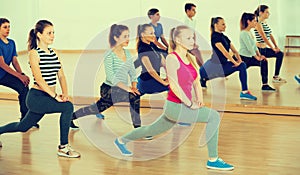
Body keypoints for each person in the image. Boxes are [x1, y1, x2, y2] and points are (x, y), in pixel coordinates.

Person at [114, 25, 234, 171]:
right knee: (213, 116)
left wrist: (200, 99)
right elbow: (174, 86)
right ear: (177, 39)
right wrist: (190, 103)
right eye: (188, 38)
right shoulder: (172, 58)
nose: (192, 41)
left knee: (150, 130)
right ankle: (213, 159)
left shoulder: (190, 57)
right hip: (175, 106)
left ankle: (121, 140)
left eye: (193, 38)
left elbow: (196, 81)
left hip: (179, 106)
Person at [0, 20, 80, 158]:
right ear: (39, 35)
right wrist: (55, 96)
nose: (52, 35)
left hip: (48, 96)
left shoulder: (55, 53)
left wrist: (65, 94)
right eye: (49, 33)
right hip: (36, 98)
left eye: (53, 32)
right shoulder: (33, 54)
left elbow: (61, 76)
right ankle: (63, 147)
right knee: (67, 107)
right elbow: (40, 80)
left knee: (23, 126)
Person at [72, 24, 142, 128]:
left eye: (128, 36)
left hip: (121, 89)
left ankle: (137, 128)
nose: (128, 39)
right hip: (109, 89)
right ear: (116, 38)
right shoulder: (109, 54)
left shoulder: (127, 53)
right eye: (125, 36)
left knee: (97, 108)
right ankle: (138, 128)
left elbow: (132, 72)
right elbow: (111, 77)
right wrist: (128, 89)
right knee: (132, 97)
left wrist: (134, 87)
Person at [200, 17, 257, 100]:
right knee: (204, 74)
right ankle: (203, 79)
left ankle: (244, 92)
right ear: (216, 25)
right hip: (212, 67)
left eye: (225, 24)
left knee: (242, 65)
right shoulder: (215, 37)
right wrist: (235, 62)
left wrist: (239, 60)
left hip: (222, 66)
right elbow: (225, 53)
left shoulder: (224, 37)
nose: (225, 26)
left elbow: (235, 51)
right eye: (223, 24)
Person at [0, 18, 40, 128]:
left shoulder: (11, 43)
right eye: (5, 27)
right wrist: (18, 76)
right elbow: (2, 64)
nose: (8, 29)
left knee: (24, 86)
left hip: (3, 75)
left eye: (9, 26)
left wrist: (22, 75)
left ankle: (25, 119)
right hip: (2, 72)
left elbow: (15, 61)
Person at [239, 13, 276, 91]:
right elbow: (249, 48)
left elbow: (254, 46)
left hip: (250, 57)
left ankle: (265, 85)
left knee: (264, 61)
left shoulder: (249, 32)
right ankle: (206, 78)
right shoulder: (243, 33)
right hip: (243, 58)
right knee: (226, 72)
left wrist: (260, 55)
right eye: (254, 21)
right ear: (249, 21)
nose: (256, 22)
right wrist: (257, 57)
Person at [254, 5, 286, 83]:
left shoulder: (264, 22)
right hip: (259, 50)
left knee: (280, 54)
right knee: (262, 64)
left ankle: (276, 77)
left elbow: (270, 35)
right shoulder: (257, 23)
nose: (269, 14)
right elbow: (264, 37)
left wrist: (276, 46)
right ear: (261, 13)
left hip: (265, 48)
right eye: (267, 12)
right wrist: (272, 48)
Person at [136, 23, 169, 95]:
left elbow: (163, 63)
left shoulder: (152, 45)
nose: (154, 35)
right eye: (151, 33)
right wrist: (163, 82)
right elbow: (151, 71)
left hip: (154, 79)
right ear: (143, 35)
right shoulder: (143, 49)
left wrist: (168, 77)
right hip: (146, 82)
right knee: (173, 87)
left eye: (154, 33)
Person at [183, 3, 204, 67]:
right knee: (197, 53)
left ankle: (203, 70)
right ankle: (204, 70)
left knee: (197, 53)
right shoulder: (185, 20)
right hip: (184, 43)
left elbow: (193, 33)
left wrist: (194, 43)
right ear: (187, 11)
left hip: (189, 42)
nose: (195, 12)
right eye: (193, 10)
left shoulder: (193, 21)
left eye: (195, 10)